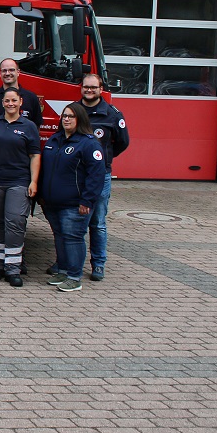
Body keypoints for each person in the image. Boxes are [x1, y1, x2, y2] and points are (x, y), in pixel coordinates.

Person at [0, 86, 42, 287]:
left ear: (21, 102)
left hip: (18, 181)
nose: (10, 104)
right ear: (2, 103)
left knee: (14, 221)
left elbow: (35, 155)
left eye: (14, 100)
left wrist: (33, 181)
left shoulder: (29, 126)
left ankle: (13, 268)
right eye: (7, 101)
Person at [41, 103, 106, 293]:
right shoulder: (55, 140)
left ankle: (74, 276)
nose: (66, 119)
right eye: (64, 116)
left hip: (75, 205)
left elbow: (96, 176)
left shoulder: (89, 143)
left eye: (71, 116)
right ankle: (62, 271)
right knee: (60, 237)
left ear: (80, 119)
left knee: (73, 238)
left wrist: (87, 201)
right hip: (52, 202)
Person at [75, 72, 129, 281]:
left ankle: (98, 264)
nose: (89, 91)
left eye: (93, 87)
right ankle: (69, 262)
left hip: (100, 177)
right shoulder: (74, 110)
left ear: (100, 89)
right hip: (76, 175)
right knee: (73, 223)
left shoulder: (112, 114)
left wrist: (103, 159)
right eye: (86, 87)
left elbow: (122, 142)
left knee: (97, 223)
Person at [0, 58, 43, 129]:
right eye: (4, 70)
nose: (7, 73)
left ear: (18, 72)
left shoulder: (31, 98)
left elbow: (36, 128)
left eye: (11, 70)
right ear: (0, 74)